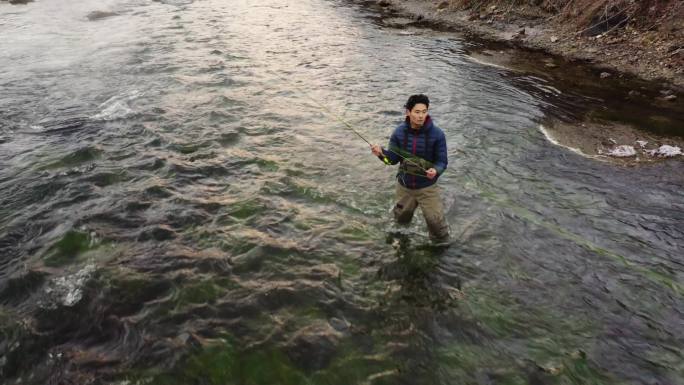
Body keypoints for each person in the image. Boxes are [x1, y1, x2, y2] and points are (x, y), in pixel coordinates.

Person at [371, 94, 450, 243]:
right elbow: (392, 160)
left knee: (437, 226)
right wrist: (381, 155)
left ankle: (441, 251)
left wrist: (436, 171)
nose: (421, 116)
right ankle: (401, 245)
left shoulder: (438, 134)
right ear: (408, 112)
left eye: (424, 111)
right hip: (404, 187)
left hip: (428, 188)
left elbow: (442, 161)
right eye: (417, 112)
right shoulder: (398, 133)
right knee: (400, 222)